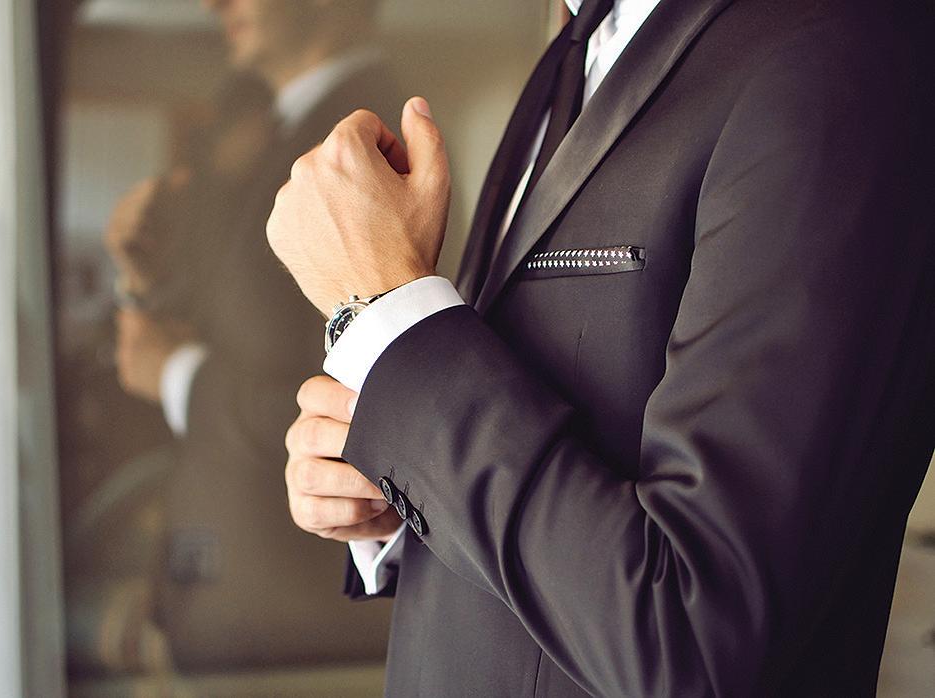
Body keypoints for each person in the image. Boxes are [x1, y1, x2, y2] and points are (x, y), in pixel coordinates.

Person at [267, 0, 935, 695]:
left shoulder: (840, 51)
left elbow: (692, 636)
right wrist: (394, 475)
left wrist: (389, 316)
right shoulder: (580, 50)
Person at [107, 0, 404, 669]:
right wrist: (148, 280)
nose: (213, 4)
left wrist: (178, 377)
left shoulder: (364, 141)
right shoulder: (274, 139)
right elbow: (253, 324)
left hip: (297, 634)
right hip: (239, 616)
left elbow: (376, 417)